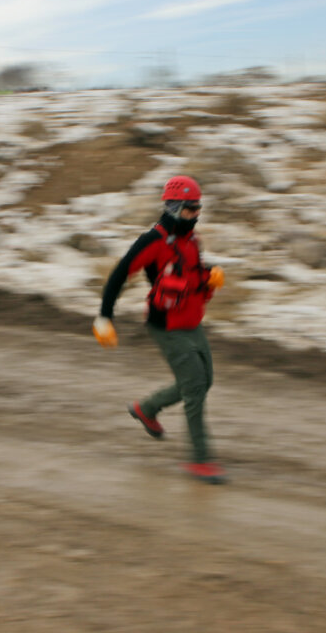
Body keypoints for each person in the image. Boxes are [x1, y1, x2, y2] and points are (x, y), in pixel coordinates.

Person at [93, 175, 227, 483]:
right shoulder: (152, 241)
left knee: (203, 381)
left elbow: (191, 272)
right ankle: (200, 458)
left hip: (192, 320)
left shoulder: (191, 240)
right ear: (174, 207)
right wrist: (104, 316)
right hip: (166, 325)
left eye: (198, 208)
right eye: (191, 209)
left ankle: (146, 408)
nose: (196, 214)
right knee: (194, 387)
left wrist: (210, 275)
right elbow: (119, 274)